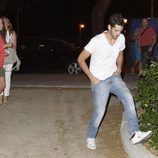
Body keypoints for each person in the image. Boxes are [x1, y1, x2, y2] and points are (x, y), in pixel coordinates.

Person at [77, 13, 152, 150]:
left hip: (114, 77)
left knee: (129, 98)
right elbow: (81, 59)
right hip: (99, 81)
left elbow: (120, 53)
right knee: (99, 112)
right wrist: (92, 78)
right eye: (115, 30)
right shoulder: (97, 41)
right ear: (109, 27)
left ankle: (135, 132)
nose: (118, 34)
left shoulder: (121, 38)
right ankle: (91, 136)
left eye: (120, 30)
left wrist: (118, 68)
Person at [0, 16, 17, 105]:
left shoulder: (12, 33)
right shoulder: (0, 33)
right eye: (3, 22)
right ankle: (1, 97)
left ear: (9, 23)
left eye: (6, 22)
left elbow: (14, 46)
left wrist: (8, 46)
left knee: (7, 78)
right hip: (1, 58)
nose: (4, 23)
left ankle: (6, 97)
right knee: (1, 79)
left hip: (9, 59)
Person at [0, 17, 5, 102]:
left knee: (3, 85)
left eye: (1, 22)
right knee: (2, 85)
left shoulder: (0, 34)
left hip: (1, 63)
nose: (1, 24)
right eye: (0, 22)